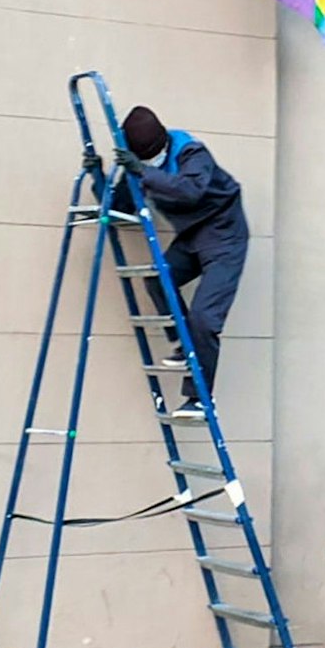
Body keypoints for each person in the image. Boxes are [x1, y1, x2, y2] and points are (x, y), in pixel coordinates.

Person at [116, 105, 247, 420]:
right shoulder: (139, 163)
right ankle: (184, 347)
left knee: (205, 318)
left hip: (224, 236)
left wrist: (143, 171)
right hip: (192, 235)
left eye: (149, 158)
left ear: (160, 146)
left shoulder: (190, 153)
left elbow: (191, 191)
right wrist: (98, 176)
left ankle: (200, 399)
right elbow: (122, 207)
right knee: (158, 279)